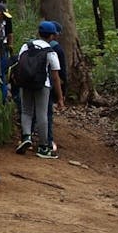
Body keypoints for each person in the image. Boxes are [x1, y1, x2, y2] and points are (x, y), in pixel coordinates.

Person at [15, 20, 65, 159]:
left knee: (26, 111)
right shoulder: (51, 51)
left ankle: (26, 137)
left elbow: (20, 64)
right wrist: (60, 98)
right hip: (43, 85)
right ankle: (44, 147)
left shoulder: (26, 46)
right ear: (52, 36)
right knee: (42, 114)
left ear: (38, 33)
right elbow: (55, 77)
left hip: (25, 83)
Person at [46, 20, 68, 153]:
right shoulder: (57, 48)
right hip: (48, 85)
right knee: (47, 113)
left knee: (29, 112)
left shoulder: (32, 45)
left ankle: (27, 137)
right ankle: (47, 141)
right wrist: (61, 94)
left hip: (31, 83)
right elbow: (60, 73)